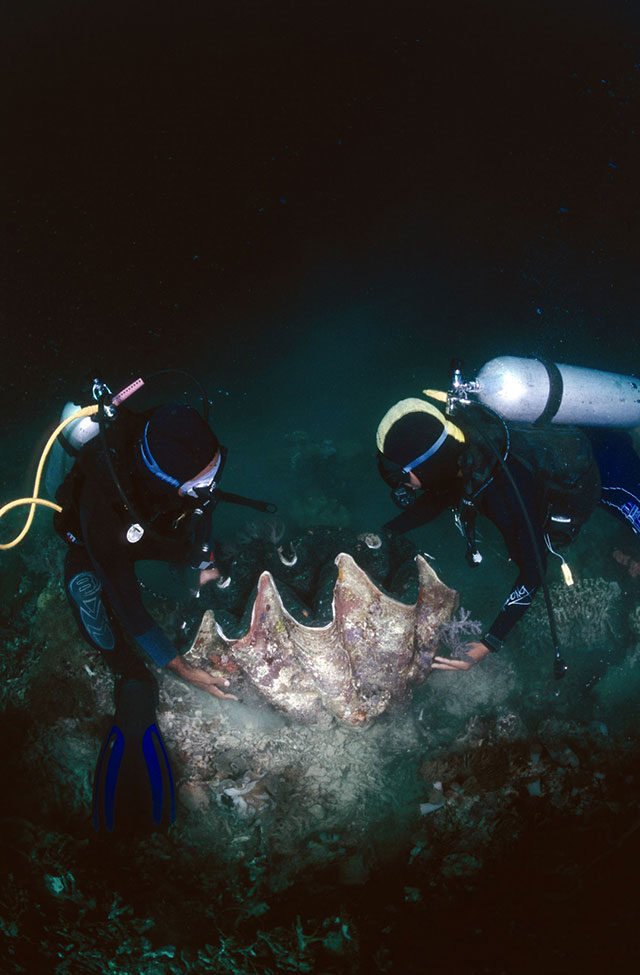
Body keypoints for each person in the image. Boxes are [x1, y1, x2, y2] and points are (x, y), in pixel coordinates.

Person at [54, 401, 236, 831]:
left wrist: (197, 563)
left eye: (216, 470)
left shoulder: (183, 454)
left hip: (152, 521)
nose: (213, 486)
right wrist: (178, 666)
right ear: (166, 480)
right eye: (201, 482)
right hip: (101, 538)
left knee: (199, 560)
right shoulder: (104, 505)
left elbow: (199, 511)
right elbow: (129, 606)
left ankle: (184, 573)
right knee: (123, 649)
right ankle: (130, 688)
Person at [376, 396, 640, 674]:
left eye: (404, 478)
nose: (406, 488)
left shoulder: (502, 491)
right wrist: (385, 533)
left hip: (606, 464)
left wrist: (489, 643)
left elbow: (534, 570)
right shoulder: (466, 452)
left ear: (428, 463)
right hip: (576, 432)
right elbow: (438, 499)